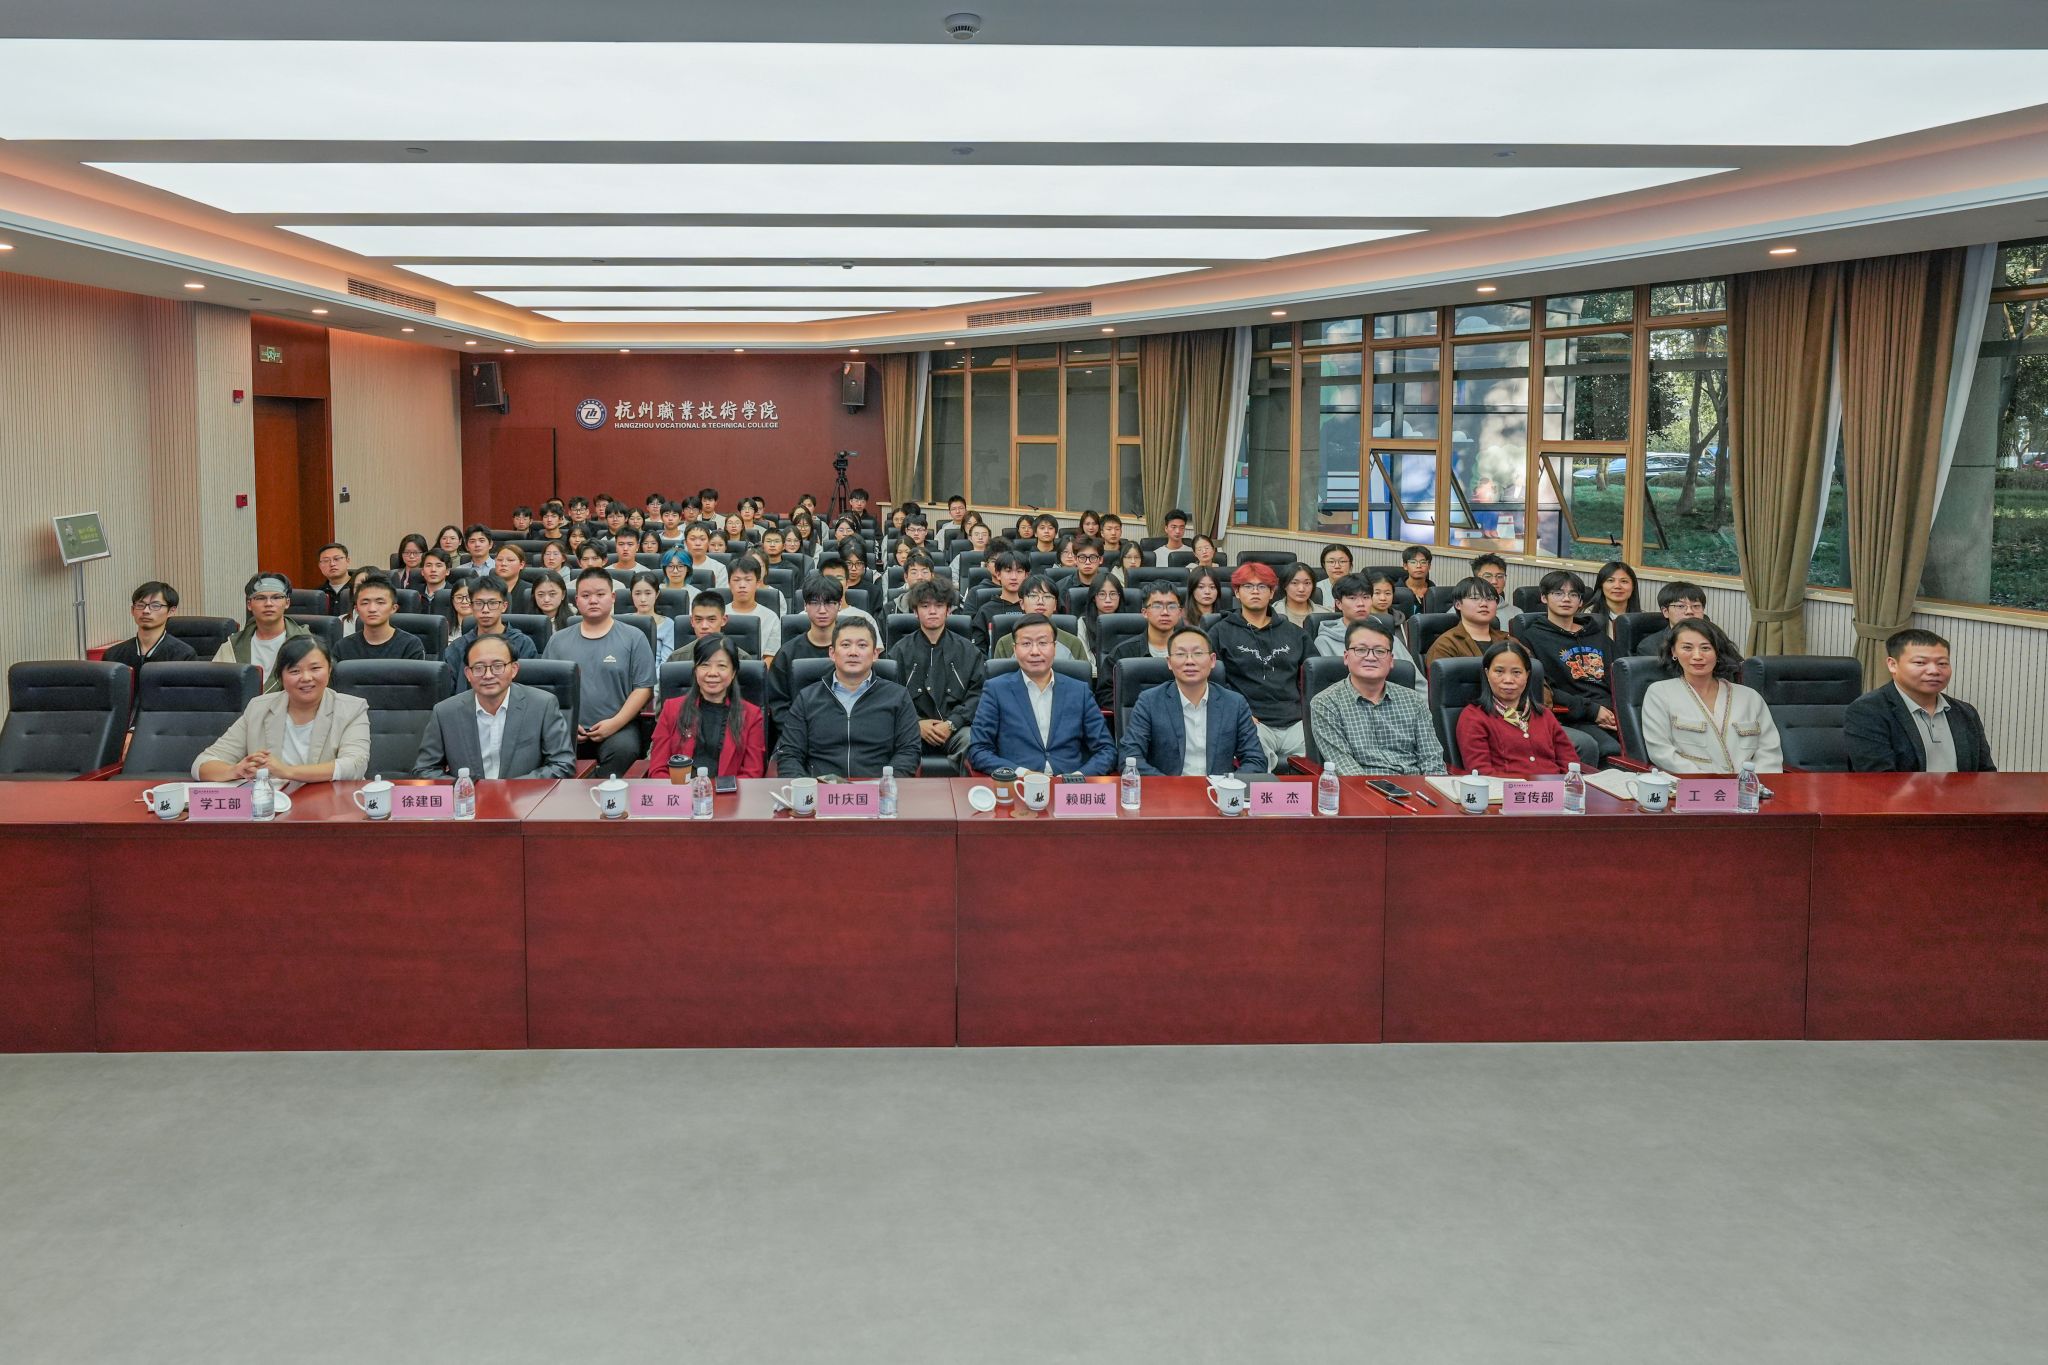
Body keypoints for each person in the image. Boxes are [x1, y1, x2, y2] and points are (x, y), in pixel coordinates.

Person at [193, 636, 369, 783]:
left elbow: (355, 765)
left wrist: (286, 771)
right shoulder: (259, 708)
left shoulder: (352, 709)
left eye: (315, 668)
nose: (306, 678)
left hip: (328, 806)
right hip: (273, 808)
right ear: (280, 676)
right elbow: (202, 764)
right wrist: (236, 770)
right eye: (295, 671)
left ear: (329, 670)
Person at [412, 633, 575, 780]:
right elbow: (425, 769)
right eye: (479, 668)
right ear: (468, 674)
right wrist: (464, 788)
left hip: (524, 799)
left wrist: (511, 790)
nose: (488, 675)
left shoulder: (542, 705)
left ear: (514, 669)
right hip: (470, 800)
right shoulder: (445, 712)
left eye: (498, 666)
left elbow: (562, 764)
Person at [968, 615, 1116, 776]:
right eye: (1026, 644)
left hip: (1069, 784)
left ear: (1055, 647)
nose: (1035, 652)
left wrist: (1076, 778)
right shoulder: (996, 690)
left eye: (1043, 643)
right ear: (1015, 649)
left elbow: (1106, 750)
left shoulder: (1079, 691)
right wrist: (1022, 773)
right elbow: (978, 750)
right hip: (1018, 783)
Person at [774, 617, 920, 779]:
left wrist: (887, 784)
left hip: (878, 789)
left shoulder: (898, 697)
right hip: (820, 789)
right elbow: (789, 754)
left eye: (862, 645)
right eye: (845, 645)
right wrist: (807, 788)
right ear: (832, 653)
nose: (853, 652)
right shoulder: (807, 698)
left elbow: (909, 751)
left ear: (875, 654)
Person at [544, 568, 657, 776]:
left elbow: (644, 689)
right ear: (577, 600)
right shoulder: (558, 641)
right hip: (567, 726)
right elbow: (547, 690)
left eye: (600, 594)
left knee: (624, 750)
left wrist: (615, 723)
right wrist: (567, 722)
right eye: (586, 595)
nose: (593, 600)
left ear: (612, 597)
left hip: (618, 727)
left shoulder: (634, 637)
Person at [1118, 625, 1265, 777]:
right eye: (1180, 654)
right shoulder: (1149, 701)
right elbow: (1129, 757)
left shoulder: (1234, 703)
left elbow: (1256, 760)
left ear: (1212, 660)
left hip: (1218, 789)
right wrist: (1170, 786)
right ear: (1169, 662)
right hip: (1168, 788)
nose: (1190, 661)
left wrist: (1227, 784)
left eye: (1198, 653)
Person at [1641, 618, 1784, 774]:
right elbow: (1661, 752)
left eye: (1706, 648)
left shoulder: (1750, 697)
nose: (1697, 656)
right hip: (1691, 785)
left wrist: (1753, 784)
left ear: (1718, 652)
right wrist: (1710, 783)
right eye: (1687, 648)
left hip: (1750, 786)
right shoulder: (1659, 694)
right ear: (1674, 652)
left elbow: (1769, 754)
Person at [1844, 628, 1996, 773]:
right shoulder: (1868, 711)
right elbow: (1880, 779)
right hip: (1898, 793)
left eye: (1942, 663)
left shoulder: (1965, 712)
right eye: (1920, 663)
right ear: (1893, 665)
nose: (1934, 671)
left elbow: (1986, 773)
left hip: (1962, 792)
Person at [1309, 618, 1445, 776]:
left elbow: (1432, 759)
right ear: (1346, 657)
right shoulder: (1325, 703)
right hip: (1361, 787)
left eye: (1380, 651)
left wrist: (1432, 787)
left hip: (1416, 786)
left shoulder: (1413, 700)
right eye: (1361, 650)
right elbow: (1344, 766)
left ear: (1391, 660)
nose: (1371, 657)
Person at [1210, 562, 1311, 770]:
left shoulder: (1295, 633)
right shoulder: (1220, 632)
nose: (1255, 591)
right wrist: (1238, 713)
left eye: (1262, 586)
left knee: (1315, 769)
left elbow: (1314, 678)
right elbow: (1211, 680)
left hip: (1296, 721)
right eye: (1248, 586)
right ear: (1237, 592)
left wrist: (1308, 716)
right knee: (1256, 770)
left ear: (1272, 592)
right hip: (1250, 720)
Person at [1517, 570, 1621, 762]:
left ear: (1581, 601)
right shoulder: (1532, 638)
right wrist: (1592, 710)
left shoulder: (1597, 635)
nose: (1566, 599)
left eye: (1573, 594)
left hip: (1612, 712)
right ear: (1544, 598)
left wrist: (1619, 711)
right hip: (1572, 715)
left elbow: (1621, 677)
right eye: (1558, 593)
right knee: (1611, 749)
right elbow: (1543, 689)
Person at [884, 578, 984, 767]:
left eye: (939, 605)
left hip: (956, 729)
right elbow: (890, 695)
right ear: (915, 612)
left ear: (948, 610)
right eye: (925, 606)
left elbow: (977, 695)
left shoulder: (969, 651)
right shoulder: (899, 651)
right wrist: (916, 723)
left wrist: (952, 723)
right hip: (912, 729)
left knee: (973, 741)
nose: (932, 611)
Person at [646, 634, 766, 779]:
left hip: (729, 792)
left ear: (733, 672)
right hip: (681, 790)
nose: (712, 673)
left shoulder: (751, 715)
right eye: (705, 665)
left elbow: (752, 773)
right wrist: (682, 791)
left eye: (721, 666)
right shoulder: (672, 709)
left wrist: (716, 791)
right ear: (695, 670)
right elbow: (658, 769)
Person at [1456, 638, 1581, 778]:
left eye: (1516, 672)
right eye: (1499, 671)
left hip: (1555, 789)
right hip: (1505, 790)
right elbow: (1482, 774)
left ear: (1527, 675)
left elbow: (1569, 763)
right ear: (1487, 673)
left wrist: (1566, 787)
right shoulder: (1474, 717)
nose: (1508, 680)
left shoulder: (1544, 714)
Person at [767, 575, 851, 729]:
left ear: (840, 605)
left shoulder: (852, 651)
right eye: (814, 603)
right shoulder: (787, 653)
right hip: (796, 732)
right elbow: (777, 704)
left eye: (829, 603)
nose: (822, 610)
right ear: (805, 606)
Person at [213, 572, 310, 692]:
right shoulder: (232, 645)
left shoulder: (307, 644)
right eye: (260, 598)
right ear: (249, 604)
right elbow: (215, 687)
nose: (268, 604)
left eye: (276, 597)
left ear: (287, 603)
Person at [1095, 581, 1184, 708]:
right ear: (1144, 612)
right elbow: (1105, 695)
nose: (1165, 612)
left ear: (1180, 613)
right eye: (1157, 606)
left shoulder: (1191, 653)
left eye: (1172, 606)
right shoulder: (1123, 653)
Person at [442, 578, 538, 688]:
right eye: (479, 603)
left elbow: (528, 690)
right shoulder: (456, 648)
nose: (485, 610)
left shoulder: (523, 644)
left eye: (492, 603)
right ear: (471, 606)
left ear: (504, 606)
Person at [1317, 573, 1417, 672]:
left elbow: (1416, 678)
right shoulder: (1325, 641)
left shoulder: (1389, 639)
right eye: (1352, 598)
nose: (1361, 604)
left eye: (1366, 597)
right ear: (1339, 603)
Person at [992, 574, 1090, 666]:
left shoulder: (1073, 643)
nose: (1040, 602)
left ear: (1055, 605)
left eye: (1047, 597)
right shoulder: (1005, 643)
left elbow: (1081, 675)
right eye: (1033, 596)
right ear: (1022, 603)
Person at [103, 580, 197, 672]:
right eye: (140, 605)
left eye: (155, 606)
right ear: (132, 610)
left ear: (171, 611)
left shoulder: (184, 655)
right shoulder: (113, 655)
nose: (146, 611)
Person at [331, 575, 426, 663]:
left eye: (380, 602)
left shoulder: (410, 645)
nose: (372, 609)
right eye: (365, 603)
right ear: (357, 609)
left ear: (393, 608)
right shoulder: (342, 647)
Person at [1422, 577, 1506, 669]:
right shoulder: (1445, 645)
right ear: (1458, 605)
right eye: (1475, 598)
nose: (1484, 604)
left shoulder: (1508, 640)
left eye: (1490, 598)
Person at [723, 554, 782, 659]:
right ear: (729, 583)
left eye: (748, 580)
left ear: (758, 583)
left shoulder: (771, 618)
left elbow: (770, 658)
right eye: (736, 580)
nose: (742, 585)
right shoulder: (719, 615)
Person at [1632, 581, 1711, 659]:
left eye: (1696, 606)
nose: (1689, 611)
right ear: (1665, 612)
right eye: (1680, 606)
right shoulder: (1650, 646)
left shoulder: (1714, 638)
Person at [970, 550, 1030, 651]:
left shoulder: (1033, 607)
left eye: (1019, 571)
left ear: (1026, 575)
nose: (1014, 577)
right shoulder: (985, 611)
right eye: (1008, 571)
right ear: (998, 574)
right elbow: (978, 650)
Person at [628, 571, 676, 665]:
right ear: (631, 595)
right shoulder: (621, 622)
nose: (643, 599)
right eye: (637, 593)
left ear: (657, 594)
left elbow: (666, 663)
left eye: (648, 593)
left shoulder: (668, 624)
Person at [1079, 574, 1128, 660]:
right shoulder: (1083, 623)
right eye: (1102, 594)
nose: (1108, 600)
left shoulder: (1130, 623)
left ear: (1119, 597)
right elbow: (1085, 659)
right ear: (1094, 598)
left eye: (1113, 594)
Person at [1588, 559, 1641, 640]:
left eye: (1624, 581)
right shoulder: (1588, 616)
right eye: (1610, 580)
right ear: (1601, 585)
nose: (1617, 586)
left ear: (1633, 586)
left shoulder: (1642, 618)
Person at [1471, 553, 1518, 626]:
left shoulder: (1516, 614)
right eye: (1488, 576)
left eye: (1500, 576)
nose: (1494, 581)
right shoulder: (1464, 610)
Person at [313, 542, 354, 616]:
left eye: (337, 559)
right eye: (326, 560)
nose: (332, 564)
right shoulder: (317, 593)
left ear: (347, 561)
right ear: (320, 566)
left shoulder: (360, 588)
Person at [1277, 562, 1319, 629]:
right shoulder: (1272, 615)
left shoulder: (1326, 614)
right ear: (1284, 585)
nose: (1301, 589)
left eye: (1307, 583)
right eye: (1294, 583)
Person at [1314, 544, 1354, 610]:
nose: (1337, 566)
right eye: (1331, 562)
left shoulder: (1361, 588)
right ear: (1324, 565)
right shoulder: (1315, 590)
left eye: (1342, 561)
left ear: (1350, 564)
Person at [1400, 544, 1436, 609]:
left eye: (1423, 562)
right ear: (1405, 566)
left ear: (1429, 566)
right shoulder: (1396, 591)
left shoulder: (1434, 591)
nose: (1418, 566)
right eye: (1413, 562)